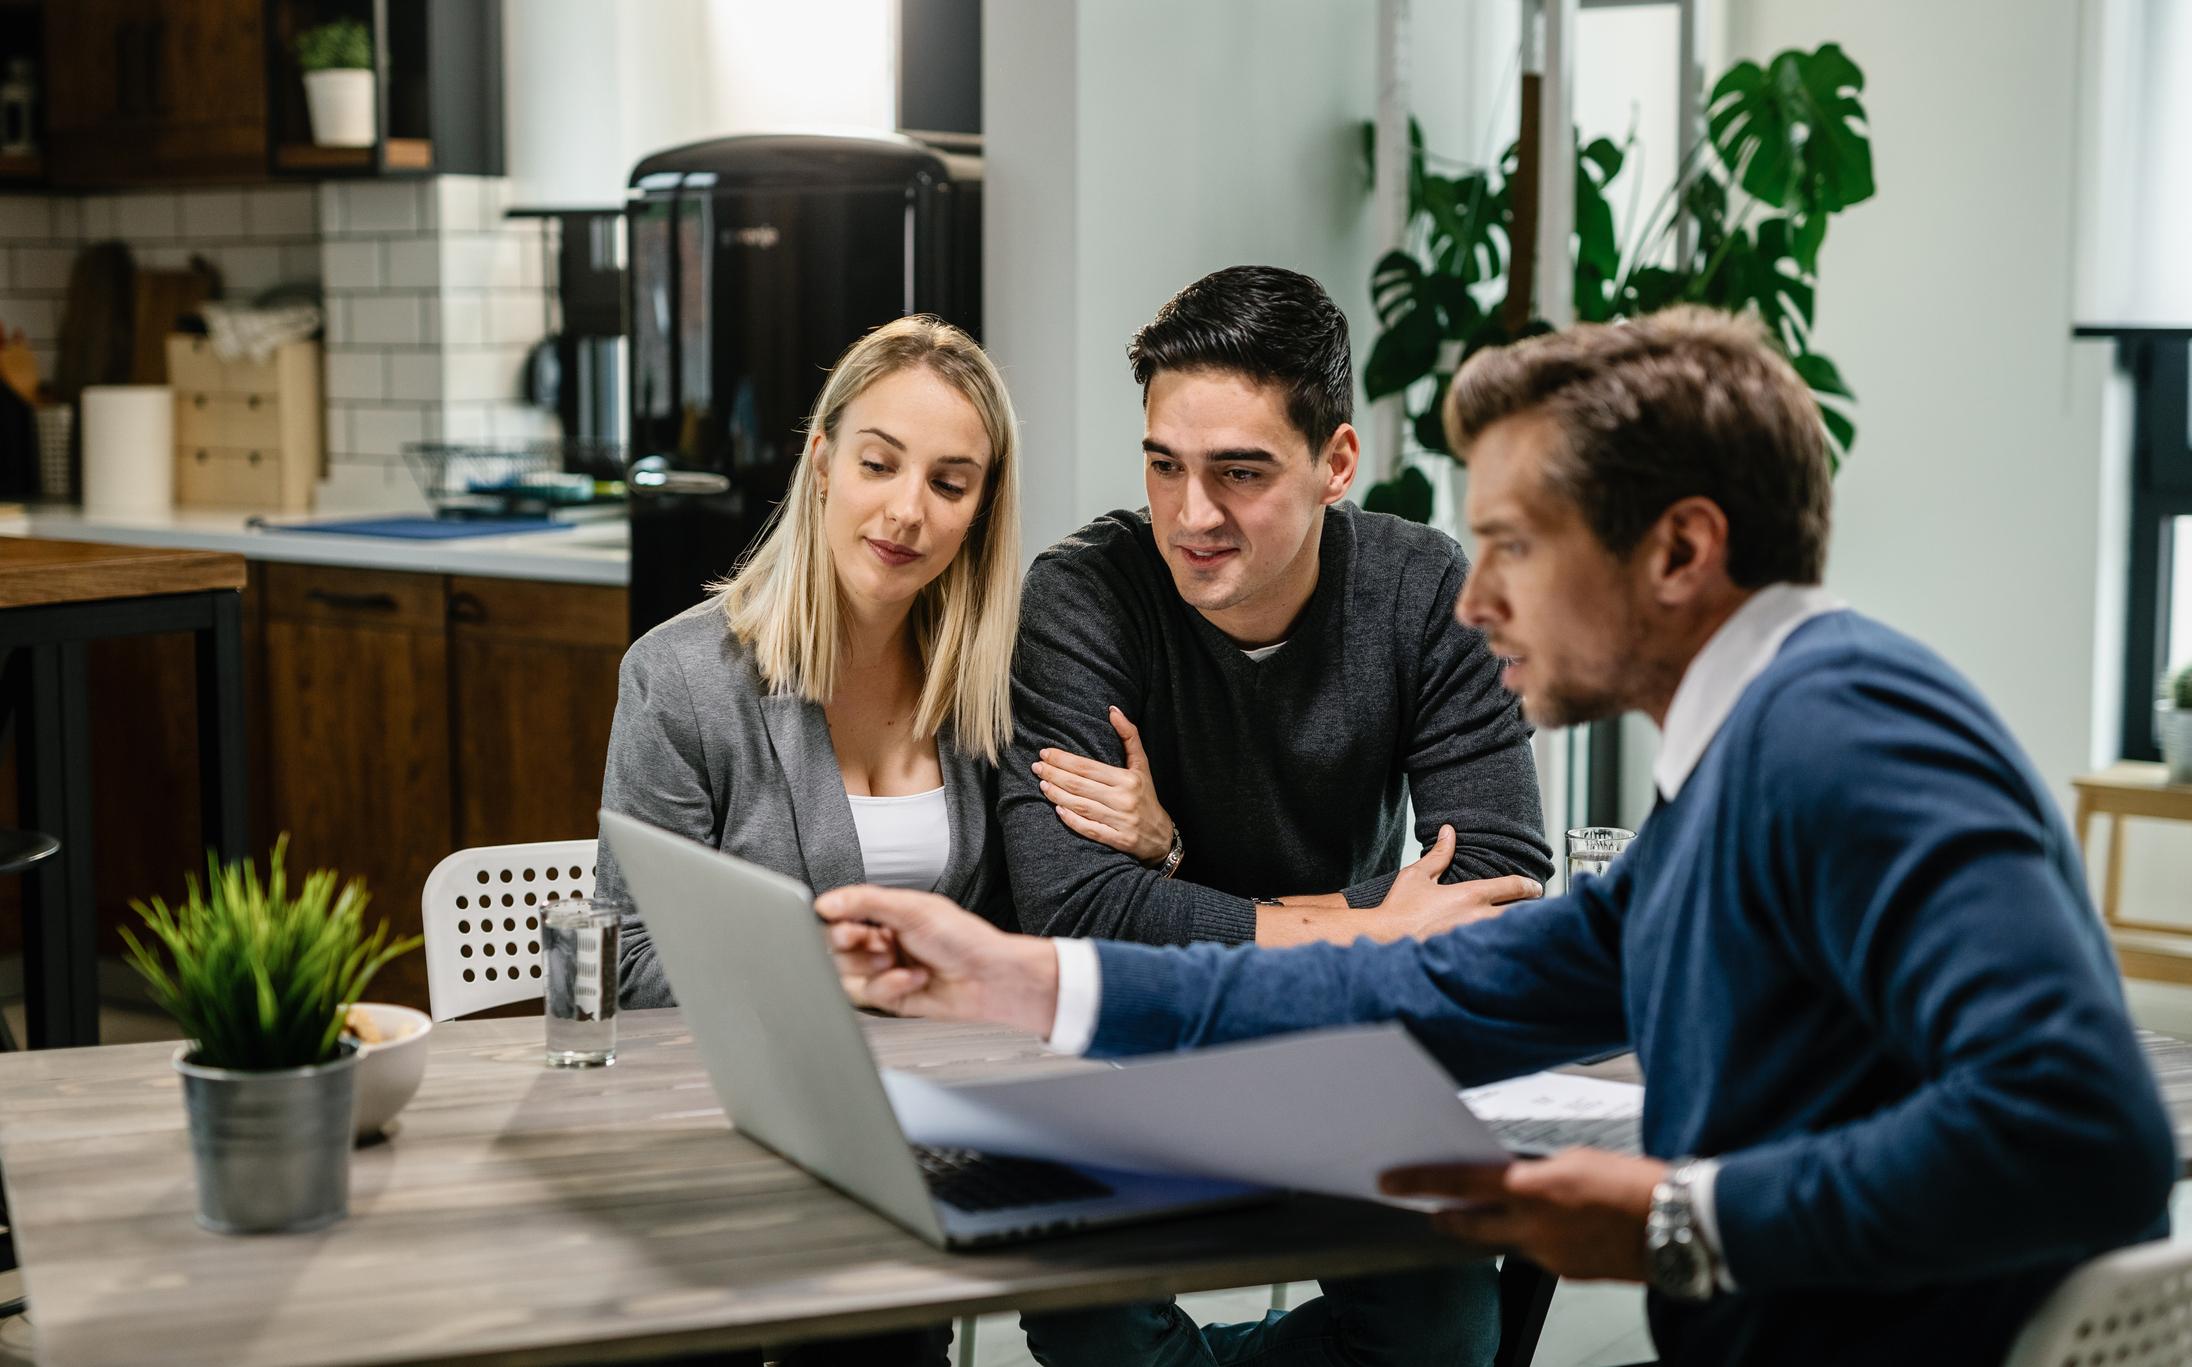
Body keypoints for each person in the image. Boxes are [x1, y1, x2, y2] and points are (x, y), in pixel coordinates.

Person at [820, 307, 2179, 1367]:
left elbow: (2083, 1123)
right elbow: (1432, 980)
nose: (1472, 600)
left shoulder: (1847, 733)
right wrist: (1017, 976)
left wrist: (1673, 1217)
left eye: (1516, 544)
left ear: (1680, 550)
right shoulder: (1747, 754)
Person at [996, 265, 1553, 1366]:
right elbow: (1067, 903)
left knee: (1444, 1330)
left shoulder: (1423, 592)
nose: (1190, 515)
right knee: (1092, 1325)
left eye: (1238, 473)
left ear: (1334, 463)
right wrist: (1364, 928)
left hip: (1340, 1043)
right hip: (1129, 1051)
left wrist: (1168, 872)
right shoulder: (1084, 595)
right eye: (1164, 465)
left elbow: (1495, 878)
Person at [593, 314, 1147, 1367]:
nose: (906, 510)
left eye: (950, 482)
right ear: (821, 463)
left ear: (980, 508)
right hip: (720, 1135)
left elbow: (1040, 909)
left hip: (919, 1136)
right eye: (878, 463)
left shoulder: (989, 690)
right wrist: (848, 970)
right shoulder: (682, 680)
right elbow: (628, 957)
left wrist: (1153, 838)